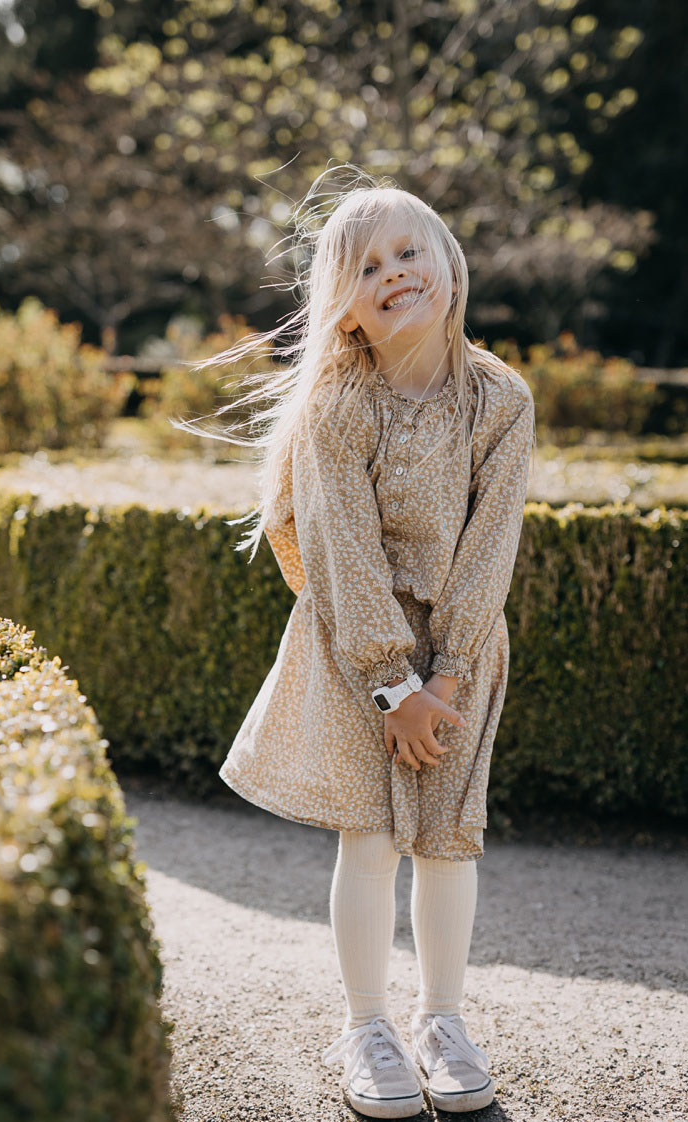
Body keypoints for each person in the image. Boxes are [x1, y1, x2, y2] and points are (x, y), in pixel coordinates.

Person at [195, 178, 533, 1117]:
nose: (394, 274)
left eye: (407, 252)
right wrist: (395, 685)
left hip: (463, 656)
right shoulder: (339, 407)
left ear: (448, 262)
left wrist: (449, 673)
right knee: (374, 836)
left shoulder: (501, 398)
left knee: (448, 839)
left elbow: (489, 544)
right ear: (342, 303)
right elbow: (338, 554)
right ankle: (369, 1025)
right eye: (368, 265)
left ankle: (444, 1018)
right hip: (357, 654)